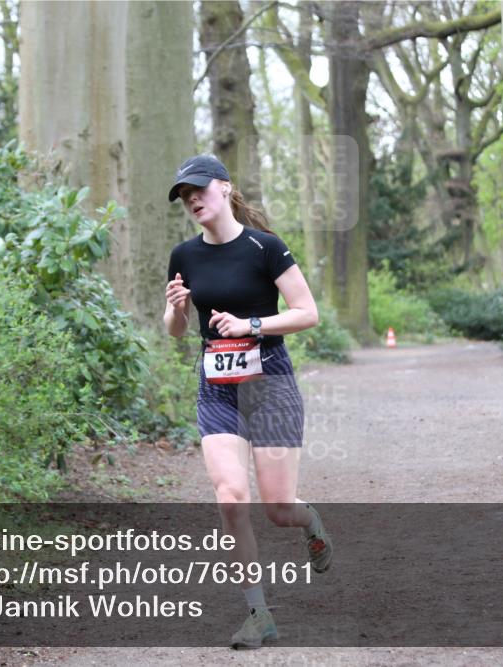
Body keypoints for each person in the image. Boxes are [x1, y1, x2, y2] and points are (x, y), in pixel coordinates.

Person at [163, 154, 332, 649]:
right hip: (216, 386)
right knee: (231, 496)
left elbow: (308, 313)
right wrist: (176, 312)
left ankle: (310, 520)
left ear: (224, 188)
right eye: (184, 195)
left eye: (198, 189)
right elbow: (175, 332)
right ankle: (258, 613)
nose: (192, 199)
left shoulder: (266, 247)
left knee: (278, 506)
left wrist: (251, 326)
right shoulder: (184, 256)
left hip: (270, 382)